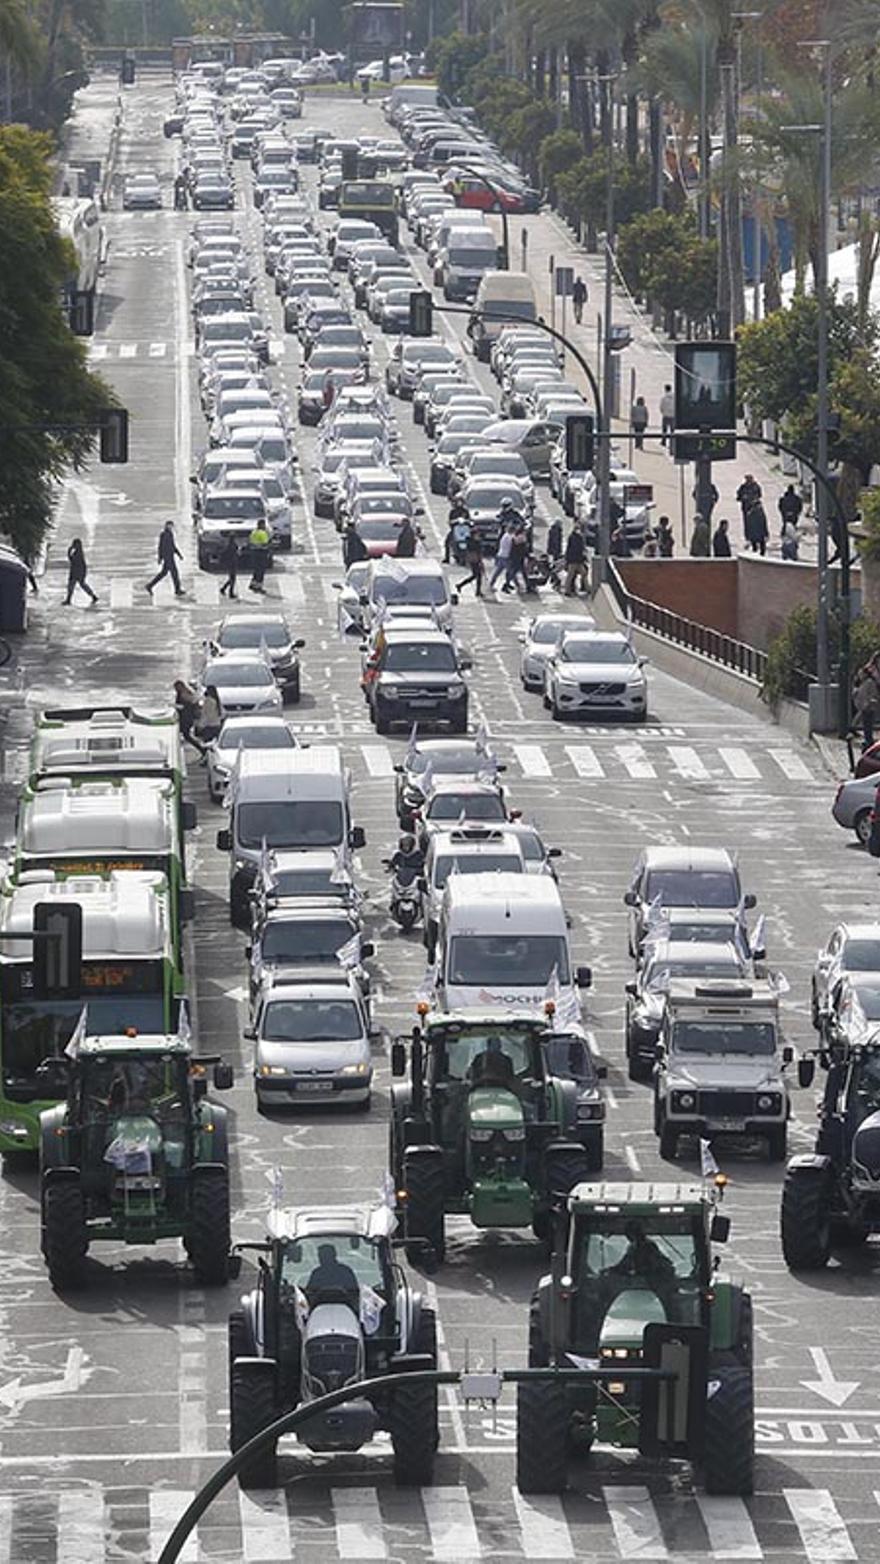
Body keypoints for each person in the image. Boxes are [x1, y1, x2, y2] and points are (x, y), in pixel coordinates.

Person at [146, 521, 184, 598]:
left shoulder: (170, 534)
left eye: (171, 526)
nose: (171, 527)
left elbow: (173, 546)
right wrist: (160, 558)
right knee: (174, 573)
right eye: (169, 526)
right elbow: (160, 547)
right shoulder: (163, 534)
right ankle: (177, 590)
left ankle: (150, 586)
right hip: (167, 557)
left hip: (170, 556)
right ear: (166, 526)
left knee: (163, 574)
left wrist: (179, 554)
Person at [854, 656, 880, 750]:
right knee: (867, 719)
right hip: (869, 697)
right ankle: (868, 740)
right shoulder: (870, 671)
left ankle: (868, 738)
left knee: (869, 719)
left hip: (872, 696)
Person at [173, 680, 205, 754]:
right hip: (185, 717)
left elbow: (187, 706)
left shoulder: (184, 695)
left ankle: (201, 748)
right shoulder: (185, 693)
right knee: (184, 735)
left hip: (186, 718)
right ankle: (200, 748)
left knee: (185, 735)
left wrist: (177, 707)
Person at [63, 537, 97, 605]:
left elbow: (72, 561)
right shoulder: (78, 552)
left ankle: (68, 599)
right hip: (77, 571)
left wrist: (69, 552)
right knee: (79, 585)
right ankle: (93, 596)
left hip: (76, 571)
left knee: (72, 585)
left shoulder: (78, 553)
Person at [503, 524, 529, 594]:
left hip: (516, 557)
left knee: (520, 572)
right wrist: (527, 555)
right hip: (518, 558)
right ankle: (506, 585)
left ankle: (528, 586)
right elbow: (522, 549)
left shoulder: (516, 537)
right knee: (515, 572)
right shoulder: (521, 538)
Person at [564, 526, 588, 595]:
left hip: (579, 560)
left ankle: (587, 588)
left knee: (583, 573)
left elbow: (581, 548)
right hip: (573, 560)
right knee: (570, 575)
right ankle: (567, 590)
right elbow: (570, 549)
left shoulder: (579, 538)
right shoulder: (572, 537)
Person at [248, 521, 271, 593]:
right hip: (261, 553)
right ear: (262, 525)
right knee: (261, 570)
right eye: (264, 525)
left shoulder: (254, 532)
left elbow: (250, 541)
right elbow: (265, 543)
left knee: (256, 569)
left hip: (254, 552)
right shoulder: (262, 533)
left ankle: (253, 584)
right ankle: (258, 587)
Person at [488, 525, 513, 591]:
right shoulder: (509, 537)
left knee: (498, 571)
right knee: (510, 572)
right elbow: (511, 547)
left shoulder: (504, 535)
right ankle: (507, 585)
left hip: (500, 554)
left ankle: (491, 584)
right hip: (506, 556)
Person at [218, 535, 240, 599]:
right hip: (232, 563)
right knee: (233, 578)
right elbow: (235, 553)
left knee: (232, 578)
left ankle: (224, 589)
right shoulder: (233, 546)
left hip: (230, 563)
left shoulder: (228, 546)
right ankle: (230, 593)